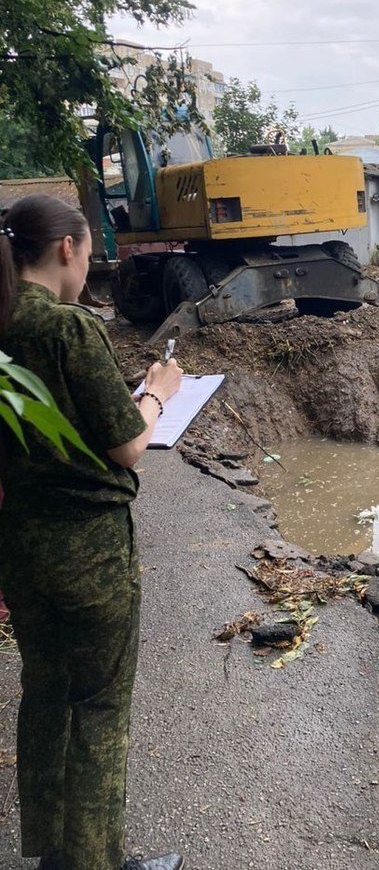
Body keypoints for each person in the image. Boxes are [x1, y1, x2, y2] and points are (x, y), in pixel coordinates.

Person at [0, 194, 184, 870]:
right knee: (100, 707)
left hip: (20, 546)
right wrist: (158, 390)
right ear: (69, 249)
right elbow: (129, 445)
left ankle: (53, 850)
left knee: (47, 693)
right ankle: (96, 863)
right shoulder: (66, 329)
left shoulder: (4, 322)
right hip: (88, 554)